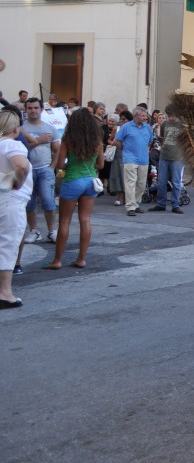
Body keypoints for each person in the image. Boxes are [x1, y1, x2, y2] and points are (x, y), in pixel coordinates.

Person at [43, 109, 103, 269]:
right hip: (91, 181)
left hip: (73, 179)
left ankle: (57, 260)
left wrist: (72, 165)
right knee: (85, 220)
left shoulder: (68, 138)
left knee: (64, 221)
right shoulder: (96, 139)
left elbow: (61, 164)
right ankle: (81, 259)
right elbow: (101, 164)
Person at [0, 110, 31, 308]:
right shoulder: (11, 144)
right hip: (10, 199)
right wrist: (18, 181)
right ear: (15, 128)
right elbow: (21, 166)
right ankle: (5, 292)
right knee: (8, 244)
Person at [21, 97, 59, 243]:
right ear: (26, 110)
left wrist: (52, 167)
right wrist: (38, 141)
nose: (33, 111)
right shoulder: (22, 129)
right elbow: (20, 148)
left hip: (45, 169)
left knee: (48, 200)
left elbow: (57, 150)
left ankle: (51, 231)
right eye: (30, 108)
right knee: (29, 202)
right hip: (27, 170)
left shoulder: (50, 128)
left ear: (41, 109)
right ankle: (34, 231)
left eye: (36, 108)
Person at [114, 106, 153, 216]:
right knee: (131, 182)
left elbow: (150, 141)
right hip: (130, 158)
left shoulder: (147, 127)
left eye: (145, 116)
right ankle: (130, 206)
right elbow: (116, 141)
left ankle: (136, 204)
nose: (145, 118)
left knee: (141, 184)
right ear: (135, 116)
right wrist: (125, 149)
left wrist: (146, 149)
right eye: (142, 116)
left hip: (143, 159)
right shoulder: (126, 127)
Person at [149, 106, 185, 214]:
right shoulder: (165, 124)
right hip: (164, 156)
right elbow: (163, 138)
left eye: (173, 115)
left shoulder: (182, 125)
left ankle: (175, 204)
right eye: (169, 115)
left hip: (177, 157)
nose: (171, 118)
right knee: (161, 182)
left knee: (176, 182)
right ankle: (161, 204)